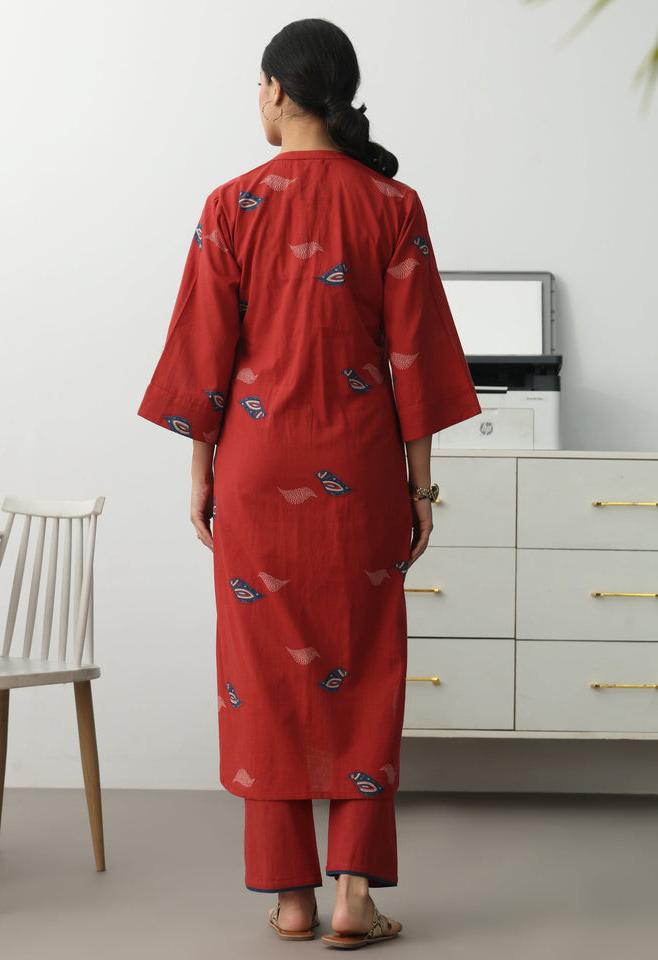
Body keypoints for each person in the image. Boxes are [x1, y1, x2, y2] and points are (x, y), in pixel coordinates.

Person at [139, 18, 480, 948]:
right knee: (367, 672)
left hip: (256, 475)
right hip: (362, 476)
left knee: (261, 678)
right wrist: (420, 490)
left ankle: (289, 898)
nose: (257, 100)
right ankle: (353, 899)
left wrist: (202, 476)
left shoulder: (230, 205)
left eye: (259, 86)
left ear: (281, 90)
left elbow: (204, 359)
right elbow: (415, 359)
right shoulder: (393, 205)